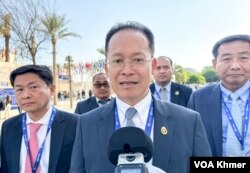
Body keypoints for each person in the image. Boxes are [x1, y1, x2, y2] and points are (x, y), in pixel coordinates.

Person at [70, 21, 211, 173]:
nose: (127, 70)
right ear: (107, 68)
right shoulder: (86, 124)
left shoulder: (189, 122)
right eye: (118, 61)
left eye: (137, 60)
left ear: (153, 65)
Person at [0, 65, 78, 173]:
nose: (25, 95)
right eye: (19, 89)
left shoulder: (76, 124)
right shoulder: (8, 127)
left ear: (51, 89)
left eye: (33, 87)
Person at [188, 34, 250, 157]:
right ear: (214, 63)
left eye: (243, 58)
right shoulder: (198, 98)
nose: (235, 66)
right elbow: (189, 143)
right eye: (226, 59)